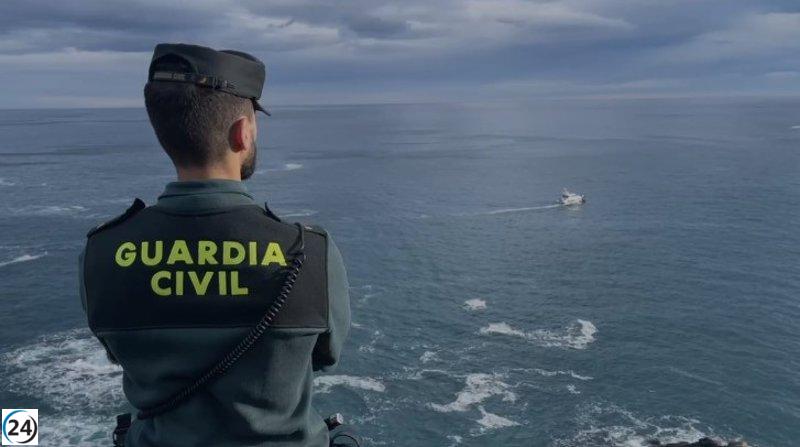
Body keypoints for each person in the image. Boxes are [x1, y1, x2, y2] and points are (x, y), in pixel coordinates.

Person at [78, 43, 351, 447]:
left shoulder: (101, 254)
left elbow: (120, 353)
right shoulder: (310, 251)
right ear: (242, 133)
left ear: (164, 134)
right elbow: (324, 356)